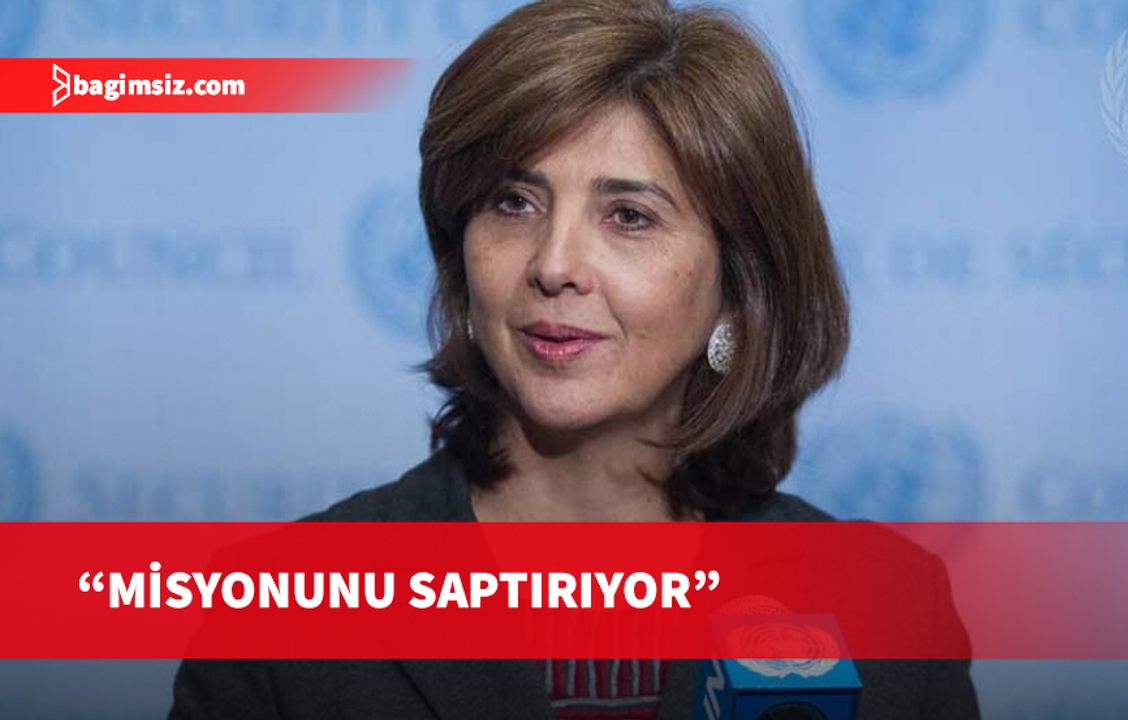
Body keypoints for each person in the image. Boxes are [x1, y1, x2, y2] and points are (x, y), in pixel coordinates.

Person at [168, 0, 980, 717]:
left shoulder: (889, 611)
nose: (553, 264)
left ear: (738, 288)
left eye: (629, 217)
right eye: (513, 202)